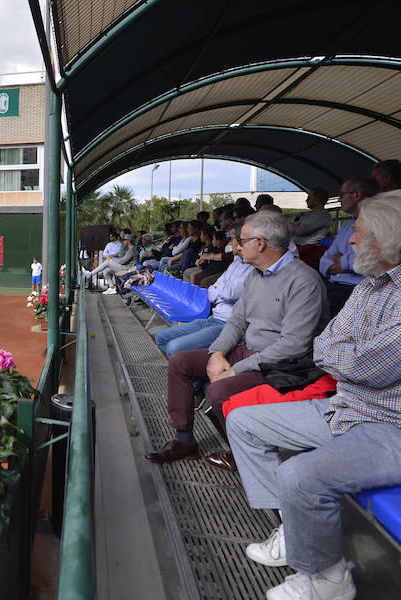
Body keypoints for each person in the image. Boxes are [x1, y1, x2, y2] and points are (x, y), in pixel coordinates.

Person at [227, 194, 401, 600]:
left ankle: (328, 579)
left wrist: (345, 356)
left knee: (298, 475)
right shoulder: (371, 286)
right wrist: (347, 356)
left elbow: (368, 368)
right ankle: (294, 528)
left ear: (386, 238)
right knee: (243, 421)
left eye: (357, 232)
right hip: (347, 407)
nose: (350, 240)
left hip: (389, 425)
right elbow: (325, 347)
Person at [144, 211, 329, 468]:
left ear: (260, 243)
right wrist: (218, 352)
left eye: (241, 240)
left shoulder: (304, 281)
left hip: (283, 366)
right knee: (180, 361)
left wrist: (235, 370)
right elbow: (237, 321)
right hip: (247, 351)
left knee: (219, 389)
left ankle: (243, 453)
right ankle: (184, 440)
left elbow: (293, 345)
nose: (236, 246)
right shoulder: (255, 275)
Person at [156, 223, 253, 356]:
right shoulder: (236, 262)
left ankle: (191, 367)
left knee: (173, 348)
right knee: (161, 338)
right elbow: (212, 292)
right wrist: (219, 290)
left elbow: (229, 293)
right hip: (213, 318)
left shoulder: (255, 268)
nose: (230, 241)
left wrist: (218, 289)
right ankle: (187, 366)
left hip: (227, 325)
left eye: (234, 238)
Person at [319, 175, 379, 316]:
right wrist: (348, 262)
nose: (339, 199)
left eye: (341, 194)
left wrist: (340, 260)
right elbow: (324, 260)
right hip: (333, 286)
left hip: (357, 290)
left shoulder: (379, 225)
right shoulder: (346, 227)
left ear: (357, 195)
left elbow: (369, 262)